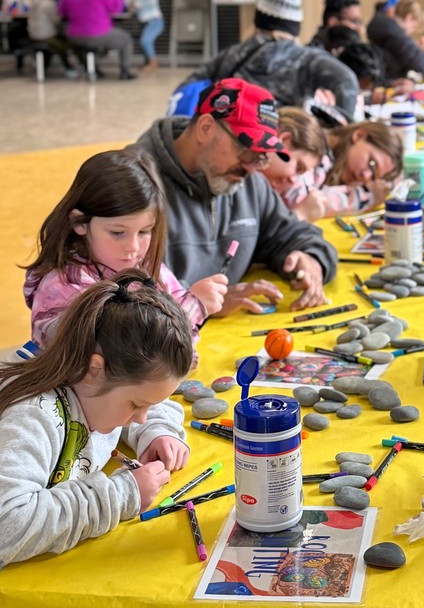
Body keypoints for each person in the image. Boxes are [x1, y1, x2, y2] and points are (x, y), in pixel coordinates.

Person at [0, 272, 194, 566]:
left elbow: (147, 394)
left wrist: (158, 431)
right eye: (135, 406)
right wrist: (120, 495)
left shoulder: (95, 386)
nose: (139, 419)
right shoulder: (32, 417)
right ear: (94, 370)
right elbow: (7, 526)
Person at [136, 78, 337, 310]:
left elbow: (291, 232)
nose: (252, 168)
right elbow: (122, 290)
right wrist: (199, 303)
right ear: (206, 128)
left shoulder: (247, 183)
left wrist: (311, 259)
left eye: (262, 157)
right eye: (247, 151)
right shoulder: (133, 183)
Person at [23, 147, 233, 347]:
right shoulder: (63, 286)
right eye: (117, 233)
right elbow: (124, 358)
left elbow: (180, 345)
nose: (133, 247)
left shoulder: (149, 267)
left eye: (144, 231)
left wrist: (194, 301)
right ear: (80, 223)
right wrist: (191, 309)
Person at [180, 0, 360, 121]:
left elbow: (188, 87)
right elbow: (346, 80)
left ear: (259, 20)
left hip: (229, 140)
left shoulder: (235, 54)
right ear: (294, 25)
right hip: (280, 146)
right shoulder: (305, 59)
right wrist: (342, 128)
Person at [276, 117, 403, 221]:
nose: (366, 176)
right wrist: (366, 197)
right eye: (371, 164)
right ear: (359, 135)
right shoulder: (315, 150)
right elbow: (305, 201)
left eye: (373, 176)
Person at [58, 0, 135, 80]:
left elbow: (61, 12)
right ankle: (125, 72)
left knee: (85, 45)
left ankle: (93, 68)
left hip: (74, 36)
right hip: (99, 34)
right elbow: (116, 8)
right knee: (125, 39)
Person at [367, 0, 424, 82]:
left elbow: (404, 53)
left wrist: (416, 46)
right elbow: (415, 59)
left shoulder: (385, 27)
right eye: (413, 27)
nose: (411, 32)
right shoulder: (392, 32)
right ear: (409, 18)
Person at [27, 0, 79, 77]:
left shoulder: (32, 2)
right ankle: (70, 68)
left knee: (56, 43)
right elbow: (57, 20)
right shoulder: (49, 3)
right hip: (46, 36)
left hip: (32, 35)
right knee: (63, 45)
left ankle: (45, 67)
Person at [125, 0, 164, 74]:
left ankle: (153, 63)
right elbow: (127, 4)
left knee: (145, 41)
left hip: (154, 20)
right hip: (145, 22)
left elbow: (137, 4)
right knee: (143, 41)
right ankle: (147, 62)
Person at [6, 0, 37, 73]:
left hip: (37, 26)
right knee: (14, 28)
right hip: (21, 26)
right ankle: (18, 54)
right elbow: (11, 10)